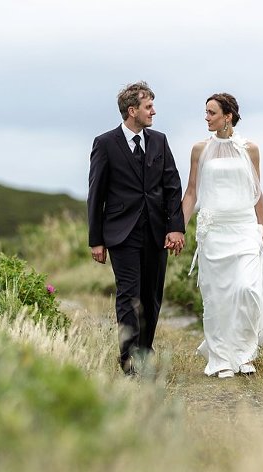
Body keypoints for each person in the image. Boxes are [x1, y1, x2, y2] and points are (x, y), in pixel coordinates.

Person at [87, 81, 186, 376]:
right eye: (148, 106)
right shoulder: (105, 143)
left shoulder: (159, 141)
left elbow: (172, 187)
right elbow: (96, 193)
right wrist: (96, 240)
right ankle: (130, 360)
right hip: (121, 233)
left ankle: (144, 351)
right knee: (129, 295)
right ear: (132, 111)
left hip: (156, 233)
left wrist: (175, 227)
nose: (153, 111)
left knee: (152, 296)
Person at [181, 93, 263, 378]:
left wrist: (262, 228)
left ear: (228, 116)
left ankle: (245, 354)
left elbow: (257, 191)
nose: (206, 117)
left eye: (211, 113)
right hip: (213, 232)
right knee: (216, 297)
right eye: (206, 112)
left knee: (248, 290)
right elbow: (192, 192)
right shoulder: (199, 149)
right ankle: (221, 358)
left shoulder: (250, 149)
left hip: (245, 229)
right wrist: (177, 228)